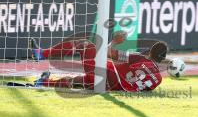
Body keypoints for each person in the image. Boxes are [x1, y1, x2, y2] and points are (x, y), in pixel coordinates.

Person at [29, 31, 168, 92]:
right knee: (79, 80)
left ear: (150, 52)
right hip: (109, 87)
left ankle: (42, 54)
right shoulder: (158, 79)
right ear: (162, 59)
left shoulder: (139, 58)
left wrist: (114, 41)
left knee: (84, 44)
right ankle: (44, 82)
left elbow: (106, 53)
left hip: (105, 75)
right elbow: (144, 89)